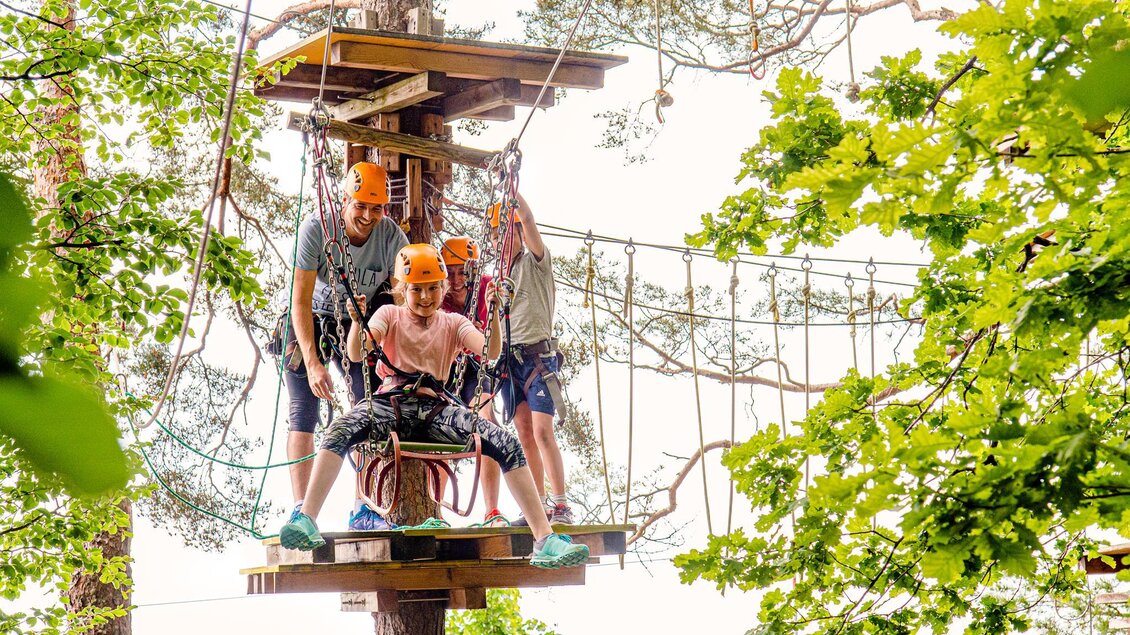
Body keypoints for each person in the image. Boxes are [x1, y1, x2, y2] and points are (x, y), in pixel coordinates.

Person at [279, 243, 590, 570]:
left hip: (438, 408)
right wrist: (358, 322)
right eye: (416, 290)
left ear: (442, 288)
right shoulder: (389, 315)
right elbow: (357, 353)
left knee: (506, 443)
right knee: (340, 429)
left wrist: (495, 315)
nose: (425, 297)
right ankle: (307, 518)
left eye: (432, 289)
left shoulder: (453, 323)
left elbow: (489, 352)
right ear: (402, 290)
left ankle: (544, 538)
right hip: (391, 405)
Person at [283, 162, 408, 531]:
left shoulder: (391, 238)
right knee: (303, 412)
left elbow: (406, 298)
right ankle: (302, 511)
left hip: (361, 323)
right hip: (315, 320)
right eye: (360, 206)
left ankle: (364, 506)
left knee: (368, 411)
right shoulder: (317, 230)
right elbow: (300, 300)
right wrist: (311, 360)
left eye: (376, 208)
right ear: (344, 200)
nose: (368, 216)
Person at [493, 195, 576, 526]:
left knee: (543, 432)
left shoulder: (536, 262)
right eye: (499, 236)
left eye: (509, 233)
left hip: (538, 359)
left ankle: (561, 504)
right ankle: (538, 504)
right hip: (511, 363)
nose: (505, 242)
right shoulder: (499, 279)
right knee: (525, 435)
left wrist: (513, 195)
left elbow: (528, 221)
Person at [439, 236, 505, 526]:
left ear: (473, 270)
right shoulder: (436, 294)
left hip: (476, 369)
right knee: (437, 431)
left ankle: (492, 509)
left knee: (487, 422)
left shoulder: (485, 288)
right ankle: (435, 509)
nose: (455, 280)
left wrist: (494, 309)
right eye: (450, 272)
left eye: (462, 272)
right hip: (446, 368)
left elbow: (492, 345)